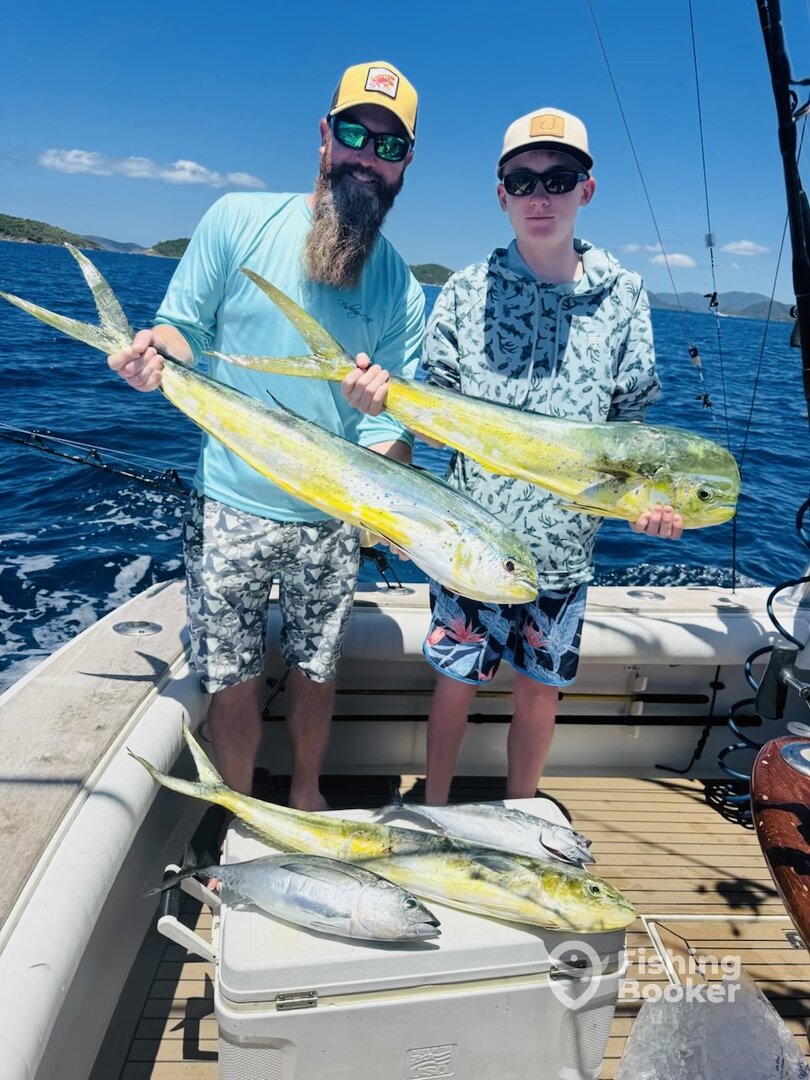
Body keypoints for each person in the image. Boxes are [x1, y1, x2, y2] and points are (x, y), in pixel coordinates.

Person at [107, 61, 424, 810]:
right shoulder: (235, 219)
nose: (368, 156)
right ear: (325, 136)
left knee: (318, 670)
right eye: (355, 133)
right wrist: (153, 354)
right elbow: (183, 330)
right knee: (231, 677)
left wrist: (389, 491)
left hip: (330, 519)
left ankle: (307, 797)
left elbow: (391, 432)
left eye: (388, 146)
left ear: (406, 163)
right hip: (229, 503)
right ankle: (241, 811)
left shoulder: (404, 289)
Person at [345, 107, 683, 805]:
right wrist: (383, 403)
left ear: (587, 189)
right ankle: (434, 810)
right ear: (501, 194)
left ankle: (523, 813)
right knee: (454, 685)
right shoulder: (465, 291)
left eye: (559, 178)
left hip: (564, 552)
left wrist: (651, 504)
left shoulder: (624, 297)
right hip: (470, 541)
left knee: (539, 695)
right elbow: (435, 413)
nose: (540, 196)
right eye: (522, 181)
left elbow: (629, 430)